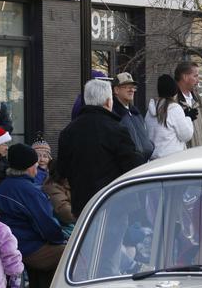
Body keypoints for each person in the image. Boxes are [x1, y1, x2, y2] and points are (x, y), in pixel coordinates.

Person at [56, 78, 142, 219]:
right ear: (109, 101)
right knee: (111, 240)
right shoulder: (117, 129)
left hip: (82, 204)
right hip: (114, 202)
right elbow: (132, 165)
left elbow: (62, 170)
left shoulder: (69, 131)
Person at [0, 144, 69, 288]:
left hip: (12, 244)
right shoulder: (29, 191)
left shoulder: (3, 186)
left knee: (55, 255)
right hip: (26, 248)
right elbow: (47, 225)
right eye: (35, 164)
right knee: (74, 252)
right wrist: (62, 239)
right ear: (30, 167)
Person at [145, 74, 194, 159]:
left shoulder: (150, 110)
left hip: (154, 160)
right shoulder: (174, 108)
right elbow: (186, 135)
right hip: (171, 159)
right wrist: (188, 118)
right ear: (174, 91)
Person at [111, 72, 155, 162]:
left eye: (133, 87)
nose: (131, 90)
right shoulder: (114, 114)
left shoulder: (135, 112)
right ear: (116, 90)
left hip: (143, 164)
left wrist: (150, 146)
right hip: (127, 167)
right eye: (126, 87)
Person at [174, 62, 202, 147]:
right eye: (195, 76)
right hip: (185, 156)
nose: (198, 80)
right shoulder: (173, 102)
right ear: (185, 77)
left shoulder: (197, 98)